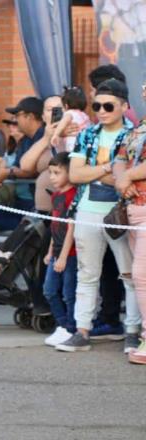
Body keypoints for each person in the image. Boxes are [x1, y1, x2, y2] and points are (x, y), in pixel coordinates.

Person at [56, 79, 142, 354]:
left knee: (130, 274)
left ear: (124, 106)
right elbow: (75, 174)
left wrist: (101, 173)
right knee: (87, 272)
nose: (102, 111)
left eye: (108, 106)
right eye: (97, 106)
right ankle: (82, 330)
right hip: (87, 209)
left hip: (122, 210)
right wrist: (108, 170)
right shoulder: (88, 134)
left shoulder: (134, 135)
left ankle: (132, 330)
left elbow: (123, 175)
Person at [113, 80, 146, 364]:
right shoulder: (138, 128)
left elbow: (126, 169)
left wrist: (127, 176)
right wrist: (121, 180)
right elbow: (120, 157)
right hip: (133, 208)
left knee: (141, 274)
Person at [0, 97, 44, 230]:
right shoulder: (26, 140)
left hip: (37, 203)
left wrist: (6, 173)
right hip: (20, 200)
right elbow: (18, 167)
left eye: (17, 116)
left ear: (30, 117)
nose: (15, 120)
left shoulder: (44, 136)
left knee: (26, 233)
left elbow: (33, 170)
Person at [41, 153, 78, 347]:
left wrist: (62, 256)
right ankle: (63, 325)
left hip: (70, 255)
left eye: (57, 172)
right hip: (56, 252)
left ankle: (71, 328)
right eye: (50, 173)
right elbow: (55, 227)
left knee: (68, 293)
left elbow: (71, 228)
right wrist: (50, 252)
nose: (53, 177)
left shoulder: (73, 195)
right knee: (49, 290)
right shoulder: (55, 196)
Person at [51, 87, 91, 153]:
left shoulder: (70, 113)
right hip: (85, 144)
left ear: (66, 106)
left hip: (73, 144)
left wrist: (56, 134)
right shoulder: (85, 116)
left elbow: (64, 121)